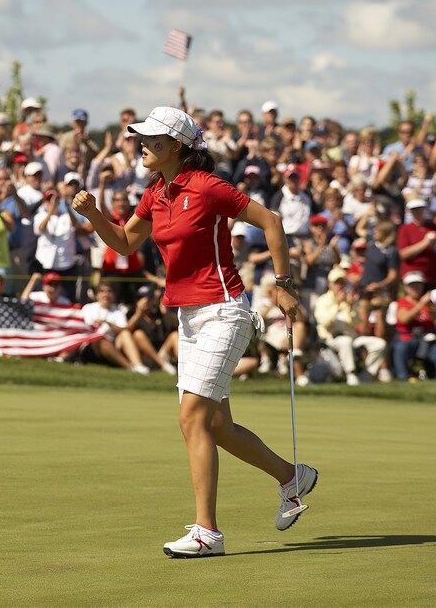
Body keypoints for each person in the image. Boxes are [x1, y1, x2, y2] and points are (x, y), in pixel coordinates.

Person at [72, 106, 315, 558]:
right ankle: (291, 477)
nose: (142, 145)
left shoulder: (207, 187)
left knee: (191, 419)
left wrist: (283, 286)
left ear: (178, 146)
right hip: (188, 318)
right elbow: (125, 242)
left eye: (152, 139)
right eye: (141, 138)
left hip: (225, 310)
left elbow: (272, 222)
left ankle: (208, 533)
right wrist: (94, 215)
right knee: (217, 424)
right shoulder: (154, 194)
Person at [313, 267, 389, 384]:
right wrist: (337, 305)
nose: (339, 285)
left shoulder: (348, 301)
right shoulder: (322, 300)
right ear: (329, 284)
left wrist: (351, 306)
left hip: (352, 338)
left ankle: (367, 375)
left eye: (342, 282)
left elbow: (357, 323)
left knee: (380, 344)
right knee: (345, 341)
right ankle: (351, 375)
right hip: (330, 339)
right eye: (336, 283)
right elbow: (325, 323)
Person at [392, 271, 436, 381]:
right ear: (406, 288)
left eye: (418, 285)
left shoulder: (429, 303)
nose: (416, 288)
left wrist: (429, 306)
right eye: (412, 285)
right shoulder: (403, 302)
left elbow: (434, 319)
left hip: (427, 339)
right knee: (401, 348)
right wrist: (420, 304)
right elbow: (404, 319)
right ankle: (403, 377)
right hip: (408, 338)